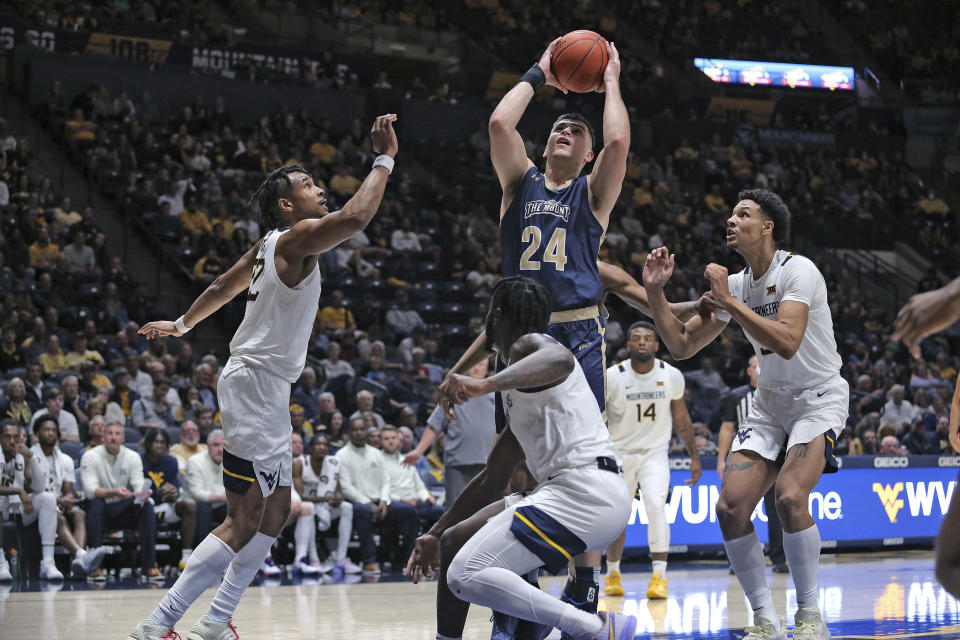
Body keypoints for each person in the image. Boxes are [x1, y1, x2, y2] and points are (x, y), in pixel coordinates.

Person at [130, 113, 398, 640]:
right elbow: (355, 218)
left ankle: (216, 618)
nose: (319, 190)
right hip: (255, 383)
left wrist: (183, 324)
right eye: (308, 186)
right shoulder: (296, 238)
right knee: (244, 517)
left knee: (279, 509)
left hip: (262, 385)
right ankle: (159, 622)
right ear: (286, 205)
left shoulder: (267, 245)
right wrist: (385, 159)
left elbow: (222, 287)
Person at [440, 34, 629, 625]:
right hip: (517, 340)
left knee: (571, 463)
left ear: (590, 155)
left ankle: (585, 578)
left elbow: (620, 138)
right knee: (517, 471)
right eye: (556, 128)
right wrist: (541, 72)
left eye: (576, 130)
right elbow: (500, 122)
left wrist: (612, 79)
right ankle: (515, 601)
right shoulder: (517, 186)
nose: (562, 131)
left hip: (576, 340)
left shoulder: (591, 195)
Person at [642, 189, 845, 640]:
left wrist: (729, 303)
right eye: (731, 213)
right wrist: (655, 293)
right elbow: (680, 345)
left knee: (791, 498)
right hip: (771, 403)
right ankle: (764, 621)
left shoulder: (799, 270)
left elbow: (788, 341)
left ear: (767, 226)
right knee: (730, 507)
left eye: (743, 214)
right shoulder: (735, 285)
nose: (731, 220)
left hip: (818, 398)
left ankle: (810, 616)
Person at [406, 277, 636, 640]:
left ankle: (592, 626)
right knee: (455, 541)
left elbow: (559, 358)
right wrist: (434, 532)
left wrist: (483, 385)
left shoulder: (535, 345)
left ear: (495, 316)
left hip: (584, 492)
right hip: (574, 492)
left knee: (466, 574)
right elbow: (492, 479)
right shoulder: (526, 389)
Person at [602, 321, 701, 599]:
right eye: (637, 338)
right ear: (628, 345)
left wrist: (694, 457)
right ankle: (612, 574)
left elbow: (682, 420)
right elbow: (599, 419)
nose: (642, 342)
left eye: (648, 338)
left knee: (656, 506)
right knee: (618, 517)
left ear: (657, 345)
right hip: (619, 455)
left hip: (655, 454)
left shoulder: (671, 375)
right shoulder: (612, 376)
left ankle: (659, 576)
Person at [719, 356, 788, 574]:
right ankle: (737, 560)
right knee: (737, 509)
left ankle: (779, 559)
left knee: (776, 512)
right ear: (748, 371)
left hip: (774, 458)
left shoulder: (780, 394)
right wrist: (722, 458)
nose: (759, 369)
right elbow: (727, 427)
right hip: (744, 458)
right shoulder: (736, 396)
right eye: (755, 365)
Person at [404, 359, 495, 507]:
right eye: (474, 365)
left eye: (481, 365)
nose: (477, 369)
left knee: (485, 514)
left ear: (486, 368)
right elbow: (434, 426)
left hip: (488, 465)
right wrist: (418, 451)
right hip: (457, 464)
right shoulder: (452, 397)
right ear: (466, 369)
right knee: (455, 512)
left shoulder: (496, 396)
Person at [335, 417, 417, 574]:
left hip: (380, 501)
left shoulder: (375, 453)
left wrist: (384, 501)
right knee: (363, 512)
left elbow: (386, 480)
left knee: (409, 512)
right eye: (355, 430)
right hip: (357, 502)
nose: (359, 433)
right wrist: (368, 503)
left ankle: (406, 559)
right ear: (348, 433)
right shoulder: (342, 455)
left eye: (362, 429)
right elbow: (345, 487)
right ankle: (369, 561)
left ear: (367, 431)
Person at [29, 414, 107, 578]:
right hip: (35, 505)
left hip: (57, 503)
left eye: (53, 430)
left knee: (79, 513)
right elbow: (32, 489)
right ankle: (82, 555)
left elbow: (69, 491)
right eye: (46, 430)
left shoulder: (65, 460)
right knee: (59, 517)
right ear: (36, 434)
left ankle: (78, 562)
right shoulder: (30, 457)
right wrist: (58, 501)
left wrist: (68, 500)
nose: (50, 433)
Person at [81, 422, 159, 581]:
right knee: (96, 503)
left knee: (148, 505)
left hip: (124, 508)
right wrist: (113, 492)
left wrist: (142, 493)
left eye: (117, 434)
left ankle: (149, 566)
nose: (113, 437)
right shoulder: (90, 456)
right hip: (100, 509)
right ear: (103, 437)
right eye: (109, 433)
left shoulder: (133, 456)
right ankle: (95, 567)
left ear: (123, 438)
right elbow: (90, 491)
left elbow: (137, 484)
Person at [292, 433, 362, 574]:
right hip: (308, 507)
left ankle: (341, 558)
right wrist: (326, 499)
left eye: (325, 445)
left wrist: (337, 497)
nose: (322, 447)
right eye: (318, 444)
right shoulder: (300, 463)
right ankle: (313, 558)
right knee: (310, 508)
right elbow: (300, 496)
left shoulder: (334, 463)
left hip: (326, 506)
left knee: (347, 507)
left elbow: (335, 489)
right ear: (310, 448)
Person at [141, 427, 197, 571]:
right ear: (148, 444)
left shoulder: (171, 461)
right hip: (145, 506)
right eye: (155, 442)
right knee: (147, 509)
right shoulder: (139, 460)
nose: (159, 445)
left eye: (162, 442)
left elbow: (176, 487)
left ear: (167, 446)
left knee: (189, 505)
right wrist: (158, 493)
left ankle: (186, 556)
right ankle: (150, 560)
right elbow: (138, 492)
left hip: (166, 505)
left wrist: (173, 492)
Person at [381, 425, 444, 528]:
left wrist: (426, 497)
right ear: (381, 441)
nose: (391, 441)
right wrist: (401, 500)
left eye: (393, 438)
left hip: (414, 502)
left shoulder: (407, 459)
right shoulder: (378, 460)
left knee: (438, 511)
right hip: (393, 503)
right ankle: (411, 544)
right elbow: (381, 489)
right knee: (410, 511)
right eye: (386, 439)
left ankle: (434, 543)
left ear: (399, 440)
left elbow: (419, 486)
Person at [185, 429, 228, 542]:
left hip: (222, 505)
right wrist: (224, 498)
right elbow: (197, 493)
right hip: (198, 506)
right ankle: (202, 553)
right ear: (208, 446)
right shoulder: (195, 461)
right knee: (204, 508)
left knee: (234, 510)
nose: (220, 450)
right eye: (216, 445)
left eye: (223, 445)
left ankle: (233, 553)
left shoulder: (231, 463)